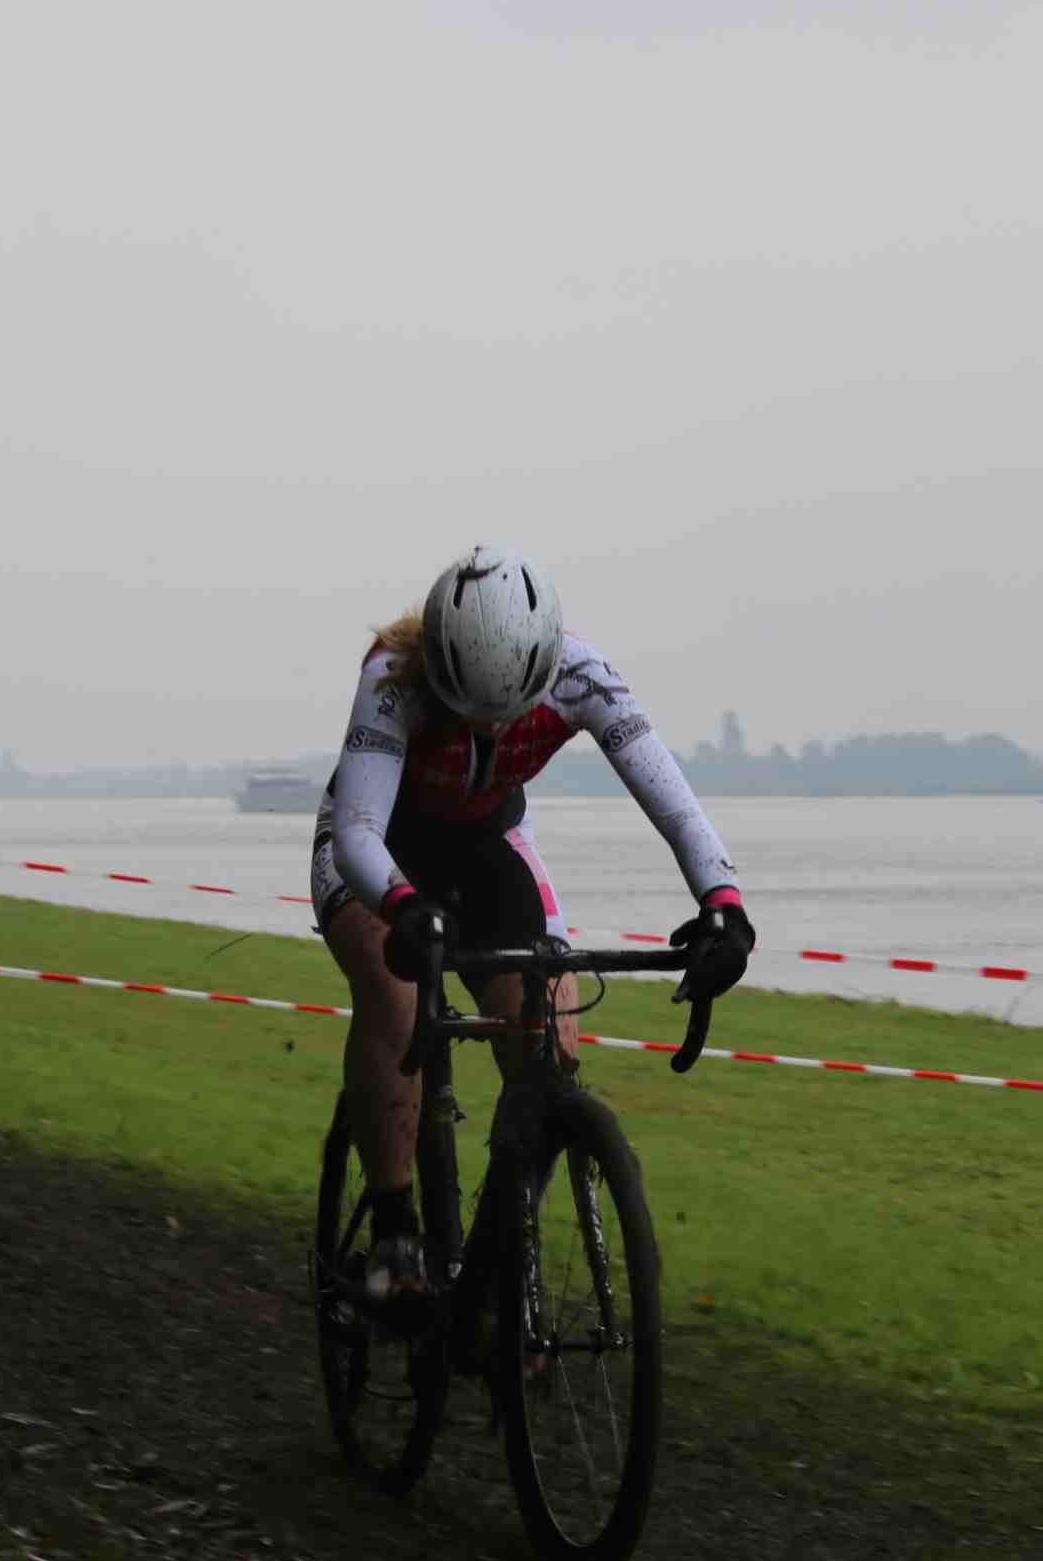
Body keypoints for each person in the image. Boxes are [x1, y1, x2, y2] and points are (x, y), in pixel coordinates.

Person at [311, 546, 754, 1306]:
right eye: (466, 707)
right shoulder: (394, 674)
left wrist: (725, 906)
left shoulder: (580, 673)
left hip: (487, 845)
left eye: (504, 712)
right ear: (437, 665)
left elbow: (672, 799)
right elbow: (357, 835)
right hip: (378, 848)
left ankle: (502, 1257)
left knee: (553, 1041)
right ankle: (394, 1230)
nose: (486, 725)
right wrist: (404, 907)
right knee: (394, 990)